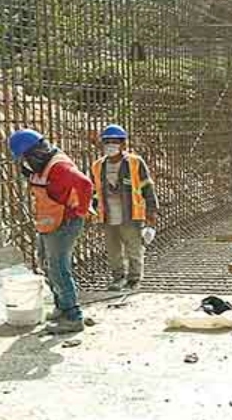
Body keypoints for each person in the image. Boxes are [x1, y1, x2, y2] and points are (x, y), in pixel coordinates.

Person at [9, 128, 93, 334]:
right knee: (46, 263)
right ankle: (61, 306)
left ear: (34, 154)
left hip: (65, 222)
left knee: (58, 267)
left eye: (25, 159)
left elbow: (85, 184)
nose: (24, 163)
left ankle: (73, 316)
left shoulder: (59, 166)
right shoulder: (43, 165)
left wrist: (81, 210)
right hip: (49, 222)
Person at [89, 124, 158, 291]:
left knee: (133, 249)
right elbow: (94, 192)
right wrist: (92, 211)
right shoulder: (98, 166)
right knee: (113, 251)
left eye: (115, 142)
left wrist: (151, 215)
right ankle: (118, 278)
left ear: (123, 144)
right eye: (107, 142)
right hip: (108, 215)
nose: (111, 145)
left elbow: (147, 187)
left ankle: (134, 279)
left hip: (130, 214)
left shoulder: (134, 163)